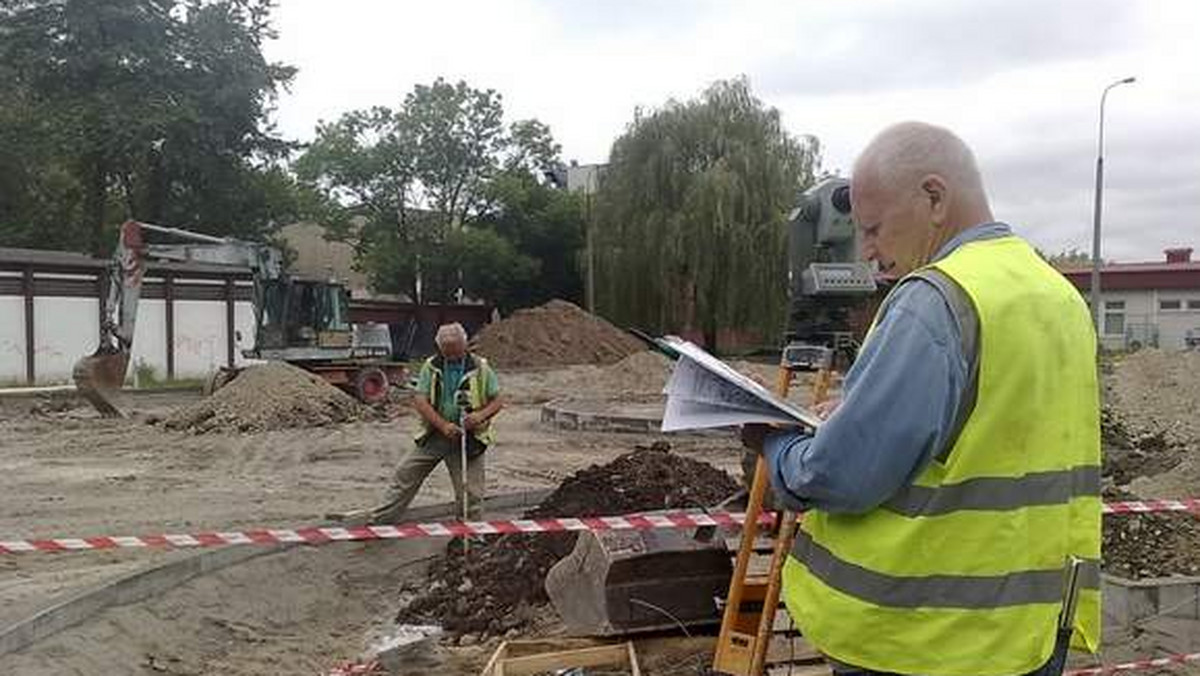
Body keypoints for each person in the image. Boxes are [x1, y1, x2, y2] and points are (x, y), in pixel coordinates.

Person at [745, 122, 1101, 676]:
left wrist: (774, 444)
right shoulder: (1058, 295)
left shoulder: (935, 299)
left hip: (919, 638)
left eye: (874, 229)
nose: (868, 252)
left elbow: (843, 474)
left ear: (934, 197)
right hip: (1026, 632)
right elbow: (990, 430)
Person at [375, 322, 502, 523]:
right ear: (440, 348)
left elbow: (497, 400)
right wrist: (443, 425)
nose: (451, 358)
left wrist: (480, 416)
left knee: (471, 493)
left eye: (456, 353)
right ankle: (379, 524)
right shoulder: (431, 366)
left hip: (469, 439)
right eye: (447, 353)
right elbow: (420, 400)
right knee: (405, 477)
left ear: (465, 345)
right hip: (435, 434)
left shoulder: (481, 368)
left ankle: (469, 535)